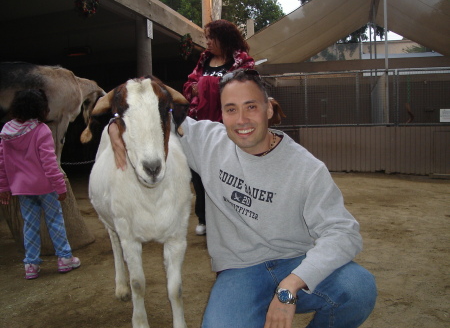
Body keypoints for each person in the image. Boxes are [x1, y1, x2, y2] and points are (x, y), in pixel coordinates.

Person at [108, 69, 377, 327]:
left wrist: (292, 284)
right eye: (231, 109)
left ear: (269, 109)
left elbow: (344, 232)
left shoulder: (306, 168)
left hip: (297, 260)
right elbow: (148, 111)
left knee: (358, 289)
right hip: (240, 270)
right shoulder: (207, 142)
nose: (241, 120)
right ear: (222, 114)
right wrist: (113, 125)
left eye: (251, 107)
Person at [183, 19, 255, 236]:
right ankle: (204, 219)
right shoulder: (204, 60)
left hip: (229, 129)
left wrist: (210, 85)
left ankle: (232, 218)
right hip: (200, 128)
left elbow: (248, 86)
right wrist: (195, 89)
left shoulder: (242, 60)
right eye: (206, 38)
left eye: (211, 38)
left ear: (224, 38)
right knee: (199, 174)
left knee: (229, 174)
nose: (207, 43)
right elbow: (188, 84)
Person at [0, 89, 81, 280]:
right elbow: (49, 163)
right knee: (55, 221)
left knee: (30, 224)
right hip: (45, 187)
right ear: (41, 108)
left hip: (22, 188)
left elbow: (2, 163)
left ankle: (31, 264)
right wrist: (60, 186)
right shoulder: (41, 130)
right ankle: (64, 258)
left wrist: (3, 187)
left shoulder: (7, 132)